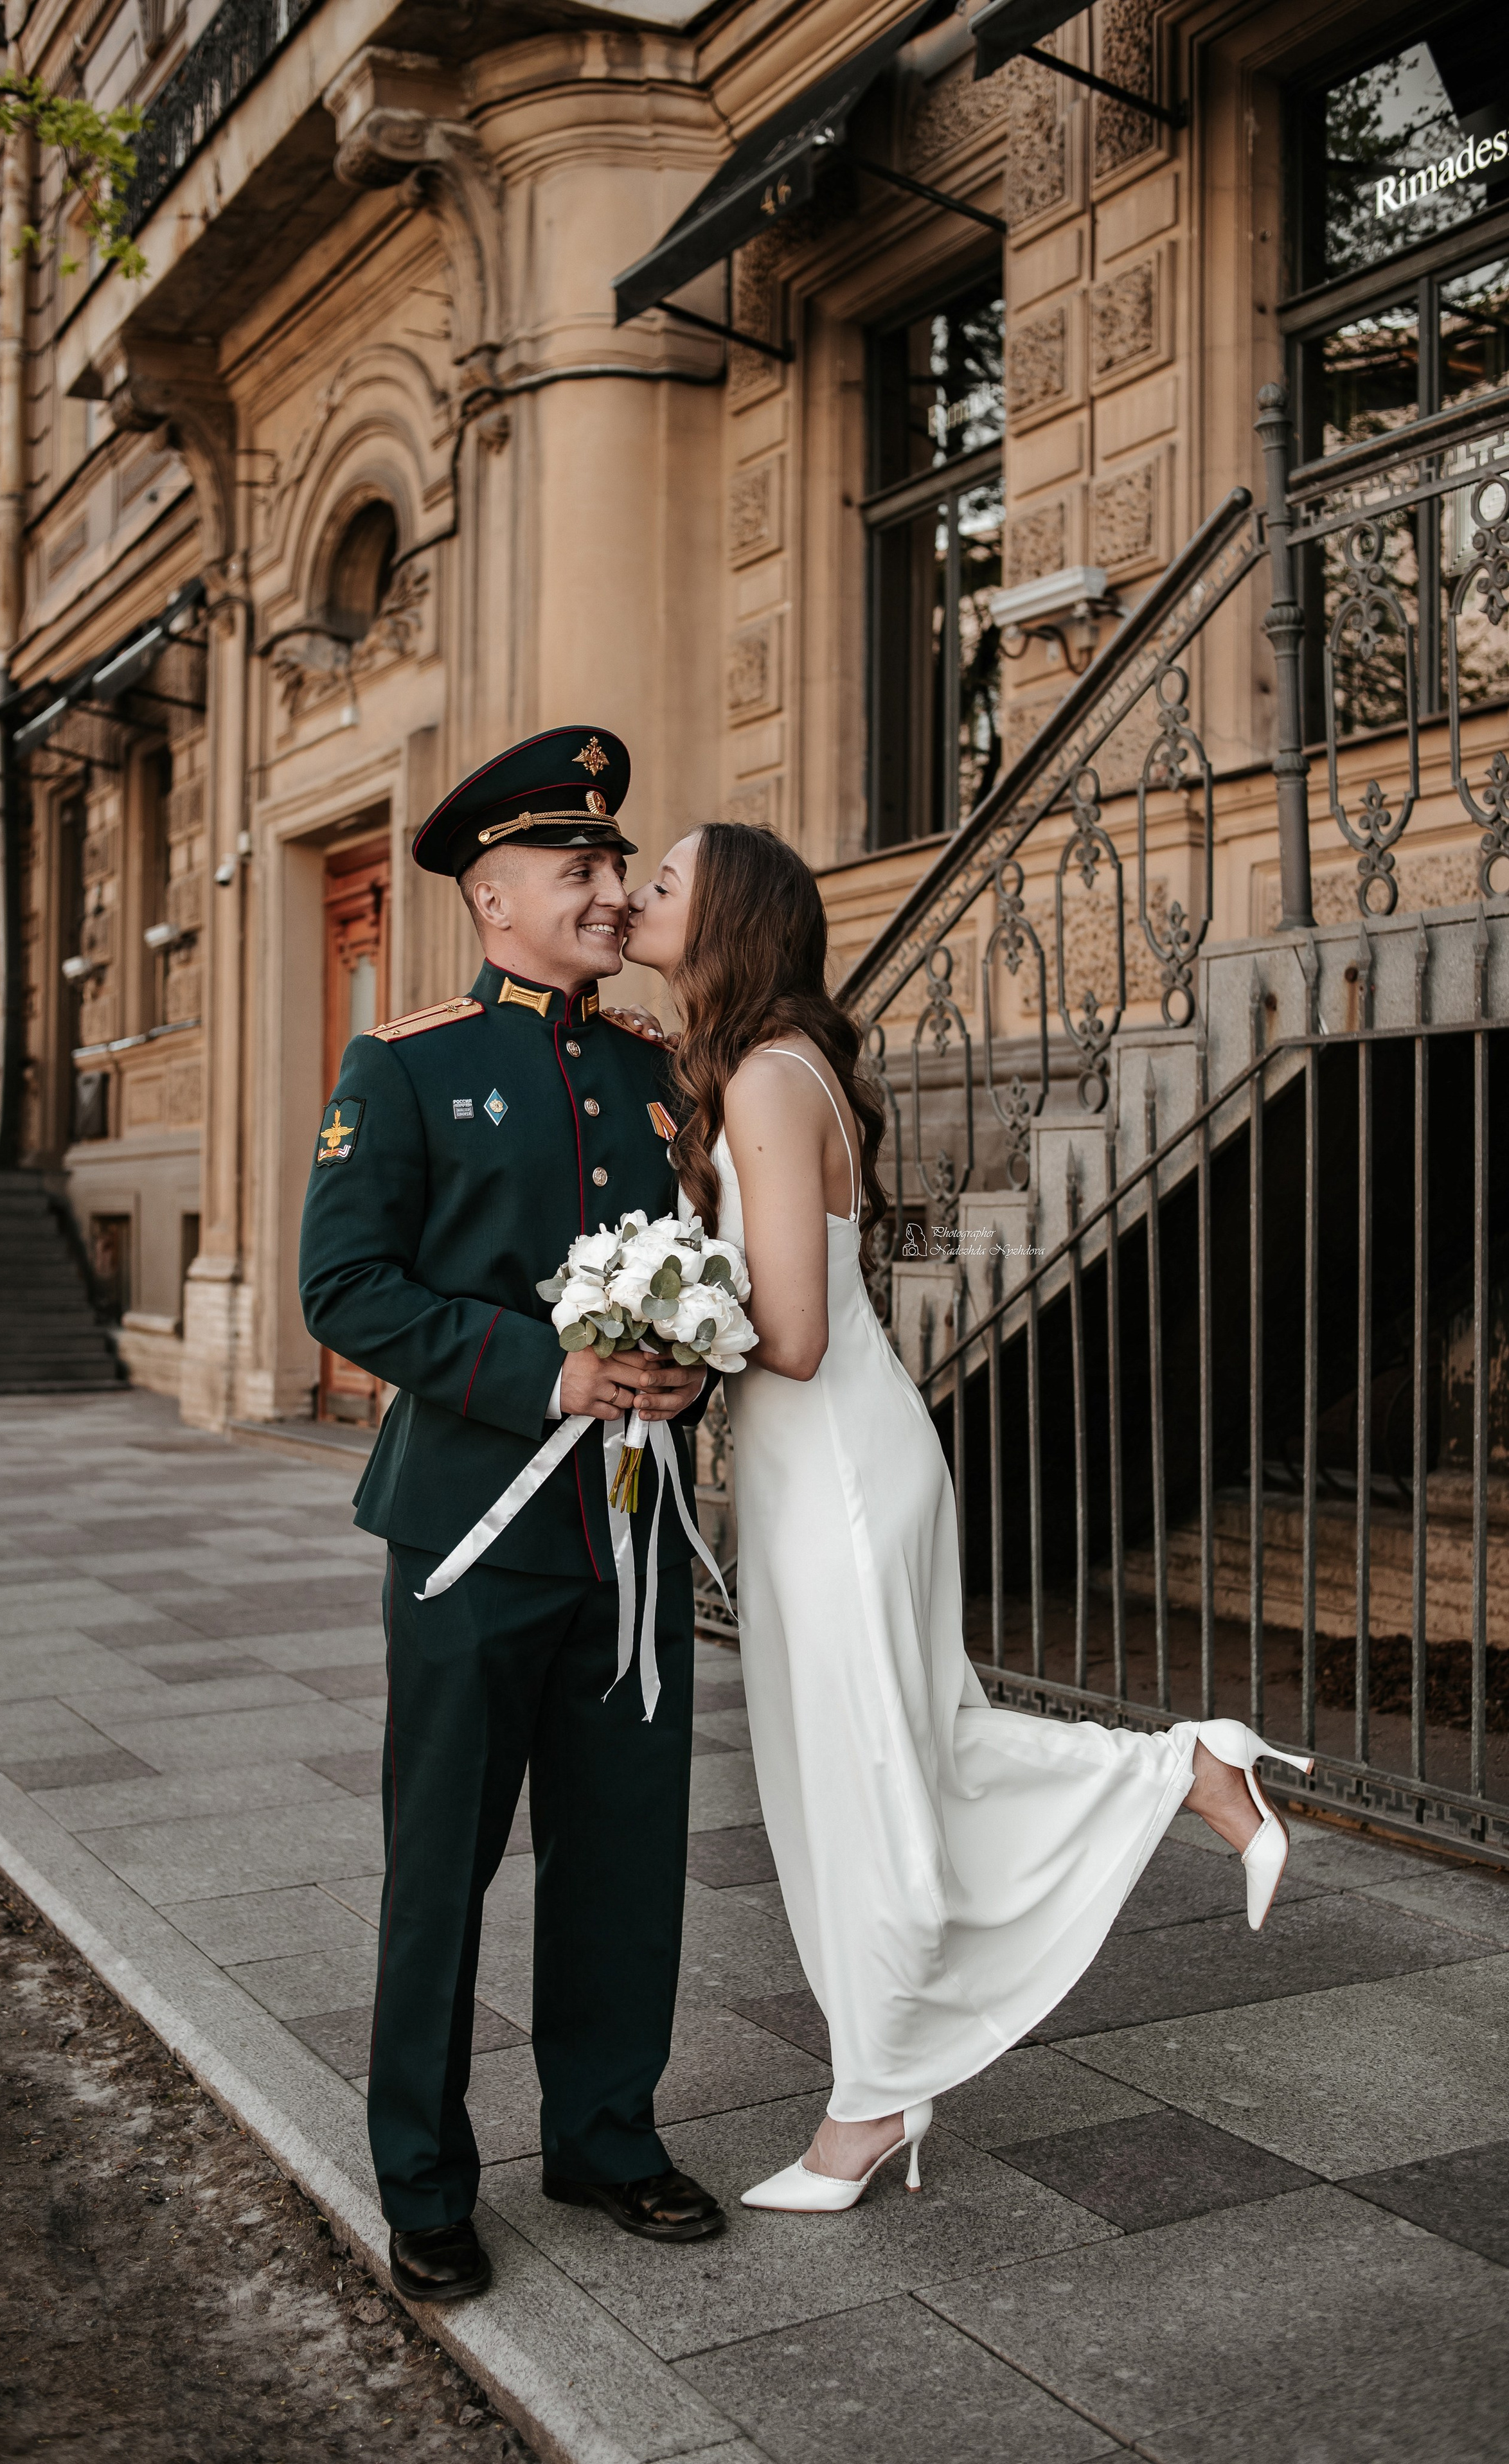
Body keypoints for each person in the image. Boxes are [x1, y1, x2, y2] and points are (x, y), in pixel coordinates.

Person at [622, 821, 1313, 2214]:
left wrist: (658, 1325)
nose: (632, 894)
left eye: (661, 883)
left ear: (725, 921)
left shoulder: (760, 1075)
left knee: (861, 1778)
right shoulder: (782, 1063)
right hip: (839, 1456)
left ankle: (868, 2104)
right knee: (902, 1754)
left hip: (831, 1462)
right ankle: (1182, 1771)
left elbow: (796, 1336)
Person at [299, 727, 722, 2304]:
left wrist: (685, 1369)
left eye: (618, 862)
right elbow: (342, 1287)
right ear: (493, 897)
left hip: (627, 1525)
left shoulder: (650, 1069)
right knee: (444, 1859)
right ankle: (421, 2170)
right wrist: (545, 1370)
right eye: (582, 866)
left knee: (623, 1851)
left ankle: (607, 2136)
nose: (612, 888)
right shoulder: (404, 1064)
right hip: (469, 1529)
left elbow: (698, 1277)